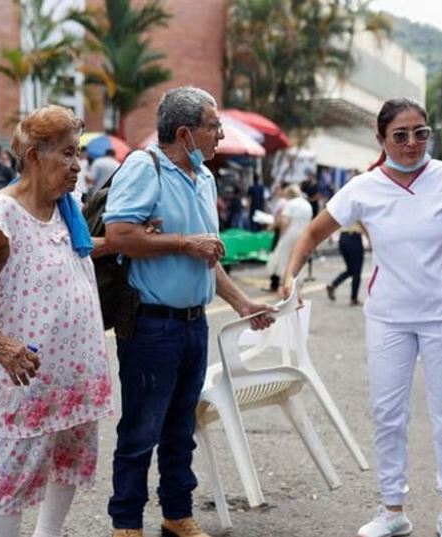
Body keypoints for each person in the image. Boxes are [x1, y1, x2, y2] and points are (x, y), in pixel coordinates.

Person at [281, 97, 442, 537]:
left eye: (420, 133)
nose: (412, 143)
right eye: (400, 135)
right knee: (387, 413)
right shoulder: (363, 188)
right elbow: (313, 233)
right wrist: (290, 276)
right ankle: (392, 509)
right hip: (388, 317)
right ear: (380, 139)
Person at [102, 86, 275, 537]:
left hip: (194, 324)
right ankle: (126, 522)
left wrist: (242, 302)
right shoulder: (145, 167)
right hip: (151, 326)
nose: (220, 135)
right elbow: (119, 236)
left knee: (181, 429)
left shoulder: (204, 178)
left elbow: (207, 257)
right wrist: (183, 242)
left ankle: (176, 515)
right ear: (184, 133)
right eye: (213, 127)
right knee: (141, 430)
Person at [0, 105, 112, 537]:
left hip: (75, 373)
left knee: (68, 460)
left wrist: (133, 241)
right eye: (67, 153)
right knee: (11, 477)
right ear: (34, 156)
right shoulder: (0, 216)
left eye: (78, 153)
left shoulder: (65, 208)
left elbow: (71, 252)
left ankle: (48, 534)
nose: (77, 165)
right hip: (25, 378)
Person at [265, 184, 313, 292]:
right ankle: (298, 285)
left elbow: (285, 221)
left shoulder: (290, 204)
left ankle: (285, 284)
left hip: (290, 234)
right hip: (303, 236)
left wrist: (282, 236)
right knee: (299, 260)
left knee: (283, 259)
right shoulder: (307, 204)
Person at [325, 218, 366, 306]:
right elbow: (363, 223)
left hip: (343, 239)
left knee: (351, 269)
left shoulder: (345, 211)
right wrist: (370, 239)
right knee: (356, 272)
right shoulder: (359, 210)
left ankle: (333, 285)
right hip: (354, 239)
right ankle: (354, 298)